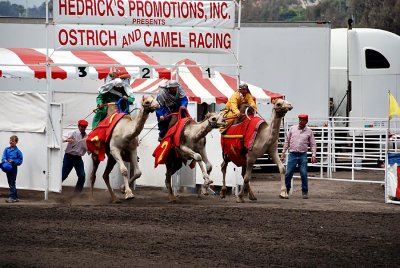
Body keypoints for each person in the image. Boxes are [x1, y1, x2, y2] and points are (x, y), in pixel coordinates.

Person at [280, 114, 317, 199]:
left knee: (303, 174)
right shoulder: (292, 129)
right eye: (299, 119)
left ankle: (305, 191)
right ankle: (286, 190)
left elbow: (313, 144)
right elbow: (287, 141)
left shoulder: (309, 131)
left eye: (302, 120)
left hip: (302, 154)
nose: (300, 121)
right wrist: (283, 152)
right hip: (292, 154)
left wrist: (313, 154)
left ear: (306, 122)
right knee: (288, 173)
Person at [62, 119, 88, 193]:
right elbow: (61, 137)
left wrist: (89, 150)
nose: (83, 128)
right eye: (81, 126)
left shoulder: (86, 137)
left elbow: (86, 148)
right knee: (63, 175)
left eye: (84, 127)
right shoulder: (73, 133)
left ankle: (77, 194)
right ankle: (54, 188)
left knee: (82, 176)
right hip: (69, 157)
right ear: (78, 126)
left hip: (78, 158)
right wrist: (67, 140)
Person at [1, 135, 23, 203]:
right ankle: (15, 197)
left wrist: (14, 161)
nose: (11, 142)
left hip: (13, 168)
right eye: (10, 140)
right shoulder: (6, 149)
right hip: (7, 167)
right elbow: (3, 157)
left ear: (16, 142)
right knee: (10, 182)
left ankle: (12, 197)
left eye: (13, 141)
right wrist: (5, 160)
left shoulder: (18, 151)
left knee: (12, 182)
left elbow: (20, 160)